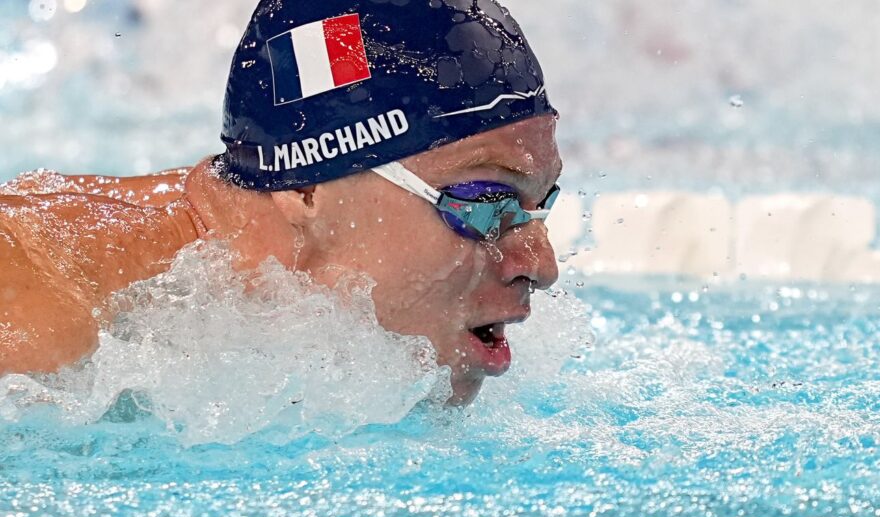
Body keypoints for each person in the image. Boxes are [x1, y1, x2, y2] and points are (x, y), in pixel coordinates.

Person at [0, 0, 561, 404]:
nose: (541, 266)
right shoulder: (36, 317)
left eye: (540, 206)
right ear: (305, 187)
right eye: (486, 203)